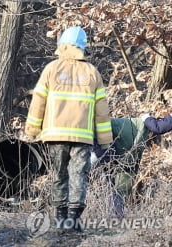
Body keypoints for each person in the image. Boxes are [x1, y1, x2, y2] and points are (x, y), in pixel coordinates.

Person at [24, 26, 113, 232]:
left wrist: (31, 130)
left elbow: (38, 102)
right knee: (78, 175)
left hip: (55, 135)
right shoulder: (92, 73)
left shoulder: (51, 69)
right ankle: (73, 219)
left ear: (61, 45)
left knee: (59, 174)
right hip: (82, 137)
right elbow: (102, 111)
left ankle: (60, 217)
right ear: (83, 47)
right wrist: (105, 139)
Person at [92, 114, 172, 218]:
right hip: (116, 148)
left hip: (115, 149)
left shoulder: (143, 125)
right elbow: (159, 127)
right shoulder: (144, 125)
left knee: (113, 186)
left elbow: (159, 127)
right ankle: (117, 215)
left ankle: (116, 215)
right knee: (115, 186)